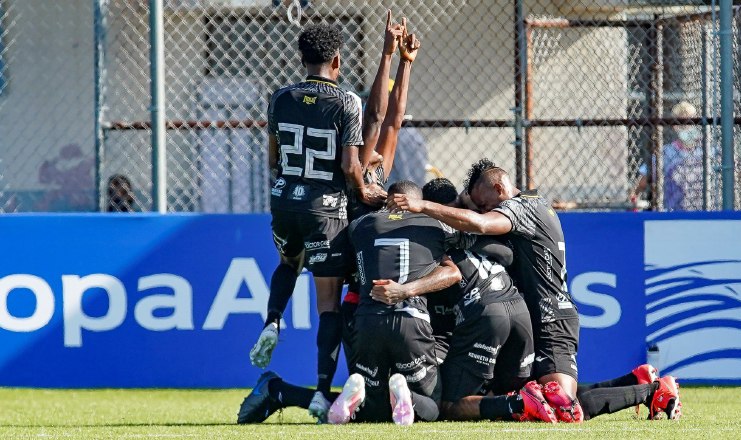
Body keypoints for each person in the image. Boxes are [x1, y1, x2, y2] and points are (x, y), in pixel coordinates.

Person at [389, 163, 682, 422]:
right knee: (548, 394)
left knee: (565, 407)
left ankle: (654, 391)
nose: (482, 210)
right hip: (536, 317)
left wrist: (422, 206)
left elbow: (478, 224)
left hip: (552, 318)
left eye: (483, 203)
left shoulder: (523, 207)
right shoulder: (528, 205)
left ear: (499, 187)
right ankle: (634, 379)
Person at [247, 21, 387, 422]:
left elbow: (273, 158)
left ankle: (273, 320)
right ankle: (322, 393)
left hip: (283, 202)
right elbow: (349, 166)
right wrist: (363, 189)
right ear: (338, 61)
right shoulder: (346, 102)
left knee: (287, 263)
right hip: (324, 208)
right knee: (328, 305)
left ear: (301, 58)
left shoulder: (279, 98)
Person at [328, 180, 474, 426]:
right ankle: (410, 396)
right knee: (433, 406)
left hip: (367, 321)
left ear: (388, 199)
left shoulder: (360, 225)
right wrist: (407, 290)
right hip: (410, 321)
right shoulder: (437, 226)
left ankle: (358, 392)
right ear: (416, 202)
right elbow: (454, 272)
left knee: (374, 411)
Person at [630, 101, 705, 211]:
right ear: (675, 126)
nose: (688, 127)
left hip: (705, 211)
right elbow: (642, 182)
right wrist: (633, 199)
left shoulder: (707, 152)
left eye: (691, 122)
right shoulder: (666, 153)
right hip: (673, 212)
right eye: (682, 123)